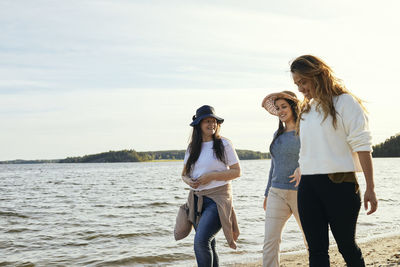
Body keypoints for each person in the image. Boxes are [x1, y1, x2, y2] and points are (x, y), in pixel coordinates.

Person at [289, 55, 378, 267]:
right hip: (308, 186)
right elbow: (308, 149)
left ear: (317, 75)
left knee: (346, 245)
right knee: (316, 250)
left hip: (340, 183)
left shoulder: (345, 102)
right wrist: (302, 168)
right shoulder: (306, 110)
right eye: (296, 84)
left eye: (303, 81)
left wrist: (370, 187)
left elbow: (362, 146)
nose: (300, 88)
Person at [181, 105, 241, 267]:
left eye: (214, 121)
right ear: (199, 125)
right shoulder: (192, 147)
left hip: (218, 199)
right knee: (210, 244)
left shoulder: (224, 144)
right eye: (207, 121)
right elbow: (184, 174)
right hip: (197, 201)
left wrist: (211, 176)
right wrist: (189, 181)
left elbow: (237, 172)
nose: (211, 124)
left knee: (201, 242)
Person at [261, 91, 306, 267]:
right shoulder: (277, 135)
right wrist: (267, 193)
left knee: (310, 240)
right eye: (278, 108)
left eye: (284, 107)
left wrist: (302, 168)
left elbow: (315, 155)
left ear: (294, 107)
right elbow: (273, 165)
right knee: (270, 242)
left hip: (301, 193)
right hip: (276, 192)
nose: (280, 111)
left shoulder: (306, 131)